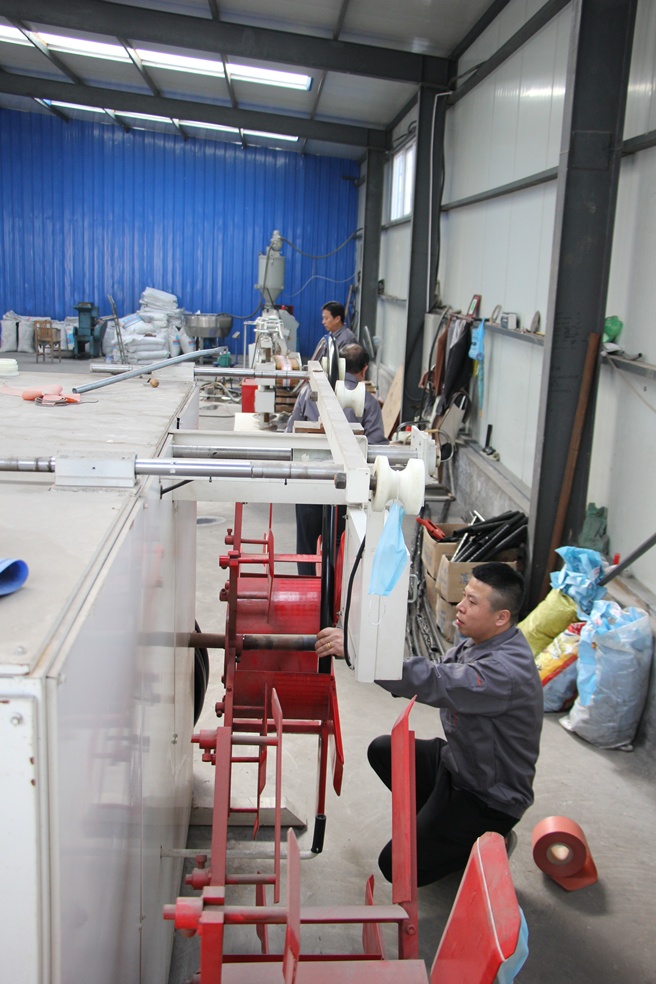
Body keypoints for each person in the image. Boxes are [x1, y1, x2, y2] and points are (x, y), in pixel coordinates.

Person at [315, 562, 542, 887]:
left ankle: (487, 840)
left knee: (396, 867)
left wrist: (361, 653)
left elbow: (436, 681)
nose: (460, 607)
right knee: (384, 751)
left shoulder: (503, 672)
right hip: (460, 764)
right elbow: (432, 669)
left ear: (501, 617)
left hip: (486, 796)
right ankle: (445, 832)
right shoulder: (481, 641)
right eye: (464, 596)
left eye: (472, 602)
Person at [287, 343, 387, 575]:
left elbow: (290, 434)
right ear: (364, 369)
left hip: (308, 482)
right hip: (346, 489)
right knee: (341, 548)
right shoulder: (368, 402)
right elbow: (376, 448)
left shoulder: (309, 393)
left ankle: (305, 587)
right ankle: (336, 594)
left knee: (306, 546)